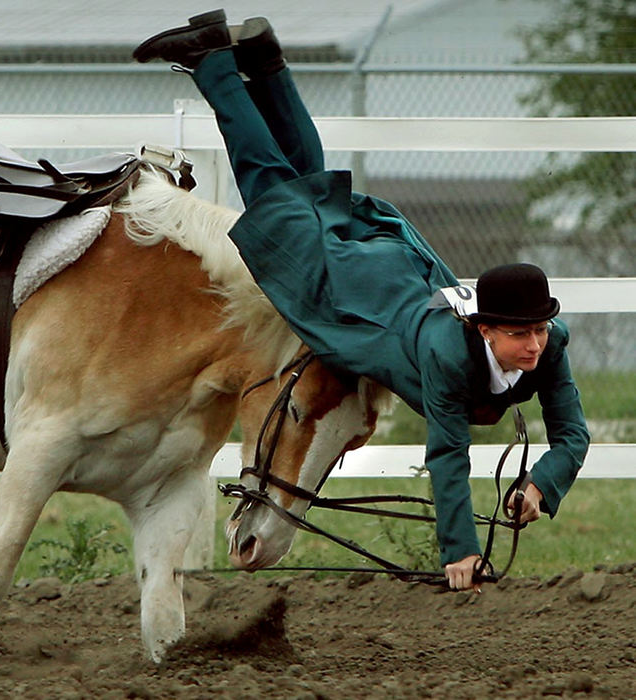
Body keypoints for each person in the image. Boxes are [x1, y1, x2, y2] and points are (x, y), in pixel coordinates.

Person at [133, 10, 590, 591]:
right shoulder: (449, 354)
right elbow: (448, 455)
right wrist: (461, 551)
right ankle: (213, 63)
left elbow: (572, 434)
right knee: (271, 188)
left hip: (393, 271)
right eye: (519, 335)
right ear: (482, 330)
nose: (534, 345)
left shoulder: (551, 347)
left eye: (540, 332)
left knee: (307, 188)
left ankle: (265, 61)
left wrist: (541, 484)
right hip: (354, 294)